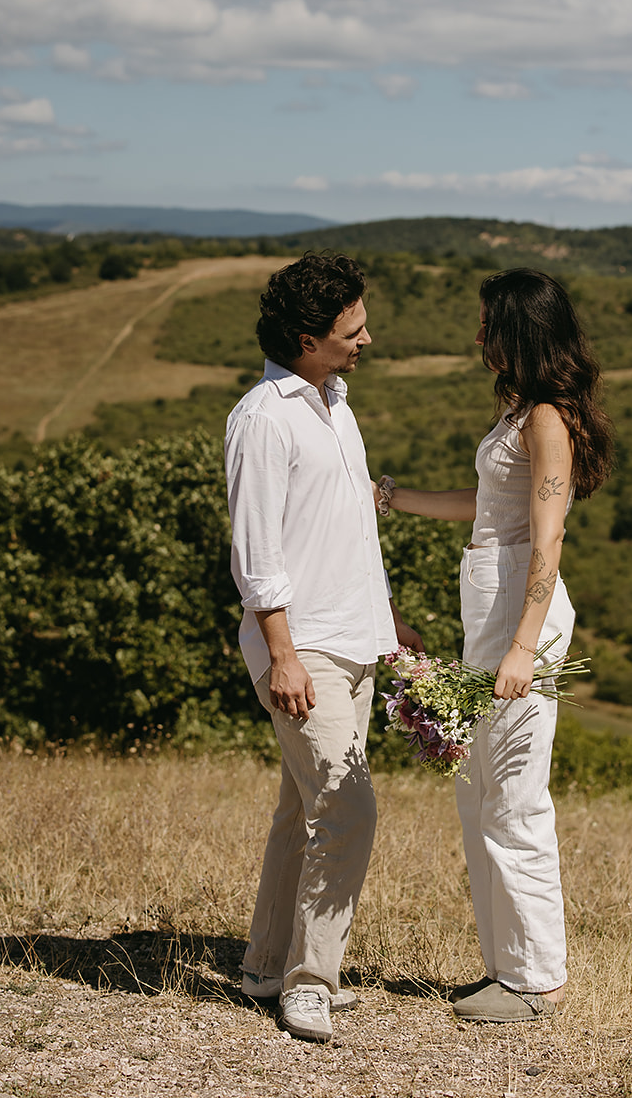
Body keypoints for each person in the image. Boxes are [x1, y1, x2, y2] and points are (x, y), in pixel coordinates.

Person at [376, 268, 612, 1023]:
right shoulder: (518, 412)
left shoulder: (546, 417)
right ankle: (505, 967)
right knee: (476, 791)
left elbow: (547, 541)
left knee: (512, 796)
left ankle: (536, 980)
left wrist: (521, 646)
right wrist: (391, 499)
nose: (477, 337)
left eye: (487, 324)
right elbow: (485, 509)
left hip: (520, 615)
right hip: (492, 607)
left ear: (518, 331)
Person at [225, 251, 423, 1045]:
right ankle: (310, 982)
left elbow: (349, 532)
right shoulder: (263, 418)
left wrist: (389, 617)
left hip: (355, 637)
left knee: (300, 811)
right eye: (353, 330)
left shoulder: (335, 404)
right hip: (302, 648)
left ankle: (266, 966)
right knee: (346, 811)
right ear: (308, 338)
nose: (366, 340)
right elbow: (257, 550)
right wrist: (282, 653)